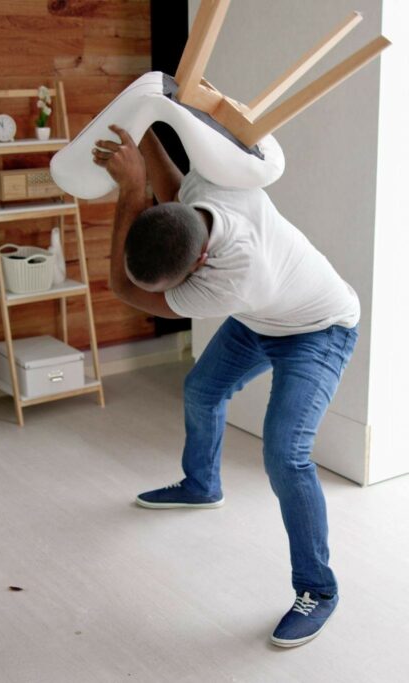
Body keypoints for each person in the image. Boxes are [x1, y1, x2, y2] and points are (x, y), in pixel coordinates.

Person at [92, 124, 360, 648]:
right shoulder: (207, 193)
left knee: (286, 455)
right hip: (265, 318)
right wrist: (142, 125)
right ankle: (202, 484)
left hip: (319, 329)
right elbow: (174, 190)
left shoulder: (236, 279)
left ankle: (318, 589)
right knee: (201, 390)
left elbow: (123, 285)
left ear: (199, 265)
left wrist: (129, 190)